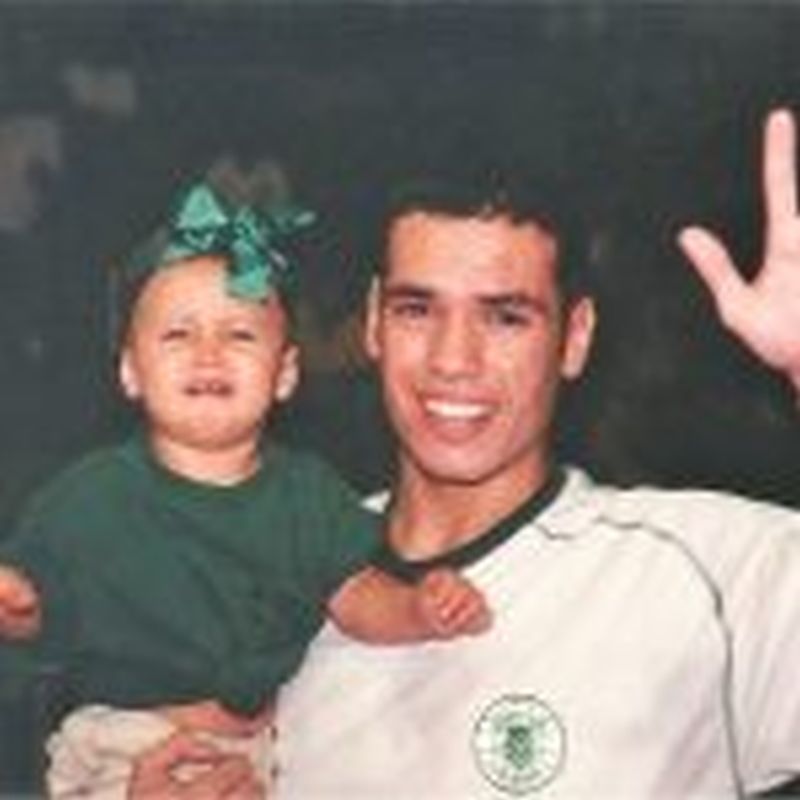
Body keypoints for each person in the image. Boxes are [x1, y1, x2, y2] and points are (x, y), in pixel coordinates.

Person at [130, 108, 800, 799]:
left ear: (574, 338)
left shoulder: (695, 571)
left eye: (505, 317)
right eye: (417, 310)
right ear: (373, 320)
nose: (453, 359)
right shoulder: (266, 590)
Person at [0, 182, 490, 799]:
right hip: (123, 749)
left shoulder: (309, 495)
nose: (208, 354)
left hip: (263, 755)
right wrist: (20, 609)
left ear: (284, 373)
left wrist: (418, 609)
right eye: (177, 335)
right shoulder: (86, 498)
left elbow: (356, 597)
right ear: (129, 370)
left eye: (239, 335)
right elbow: (35, 621)